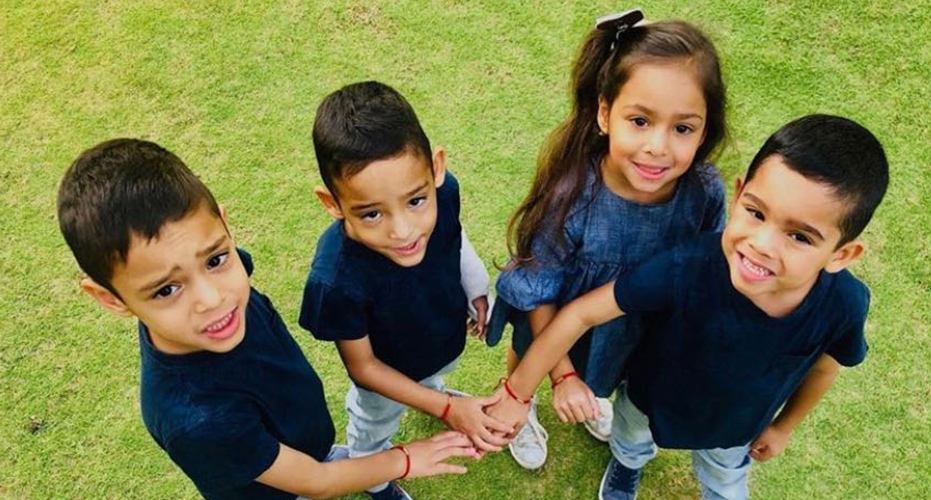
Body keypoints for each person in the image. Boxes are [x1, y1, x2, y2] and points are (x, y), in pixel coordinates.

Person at [488, 115, 889, 500]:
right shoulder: (687, 265)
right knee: (629, 442)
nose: (763, 244)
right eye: (755, 212)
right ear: (737, 195)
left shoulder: (844, 305)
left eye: (800, 237)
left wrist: (784, 427)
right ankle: (627, 466)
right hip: (648, 400)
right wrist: (517, 393)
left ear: (842, 254)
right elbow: (582, 313)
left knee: (725, 485)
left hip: (738, 430)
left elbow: (825, 366)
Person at [56, 139, 477, 500]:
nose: (213, 298)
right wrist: (404, 459)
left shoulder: (222, 287)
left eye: (216, 259)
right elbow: (316, 482)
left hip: (301, 441)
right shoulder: (199, 420)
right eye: (167, 290)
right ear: (110, 299)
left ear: (224, 224)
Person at [486, 10, 729, 470]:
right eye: (640, 121)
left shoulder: (704, 192)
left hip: (633, 327)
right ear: (604, 113)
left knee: (617, 368)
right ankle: (522, 405)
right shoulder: (572, 196)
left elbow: (707, 266)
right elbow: (538, 296)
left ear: (704, 129)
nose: (658, 146)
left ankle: (593, 391)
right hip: (553, 315)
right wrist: (561, 376)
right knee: (525, 361)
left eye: (682, 128)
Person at [299, 81, 510, 500]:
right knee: (373, 425)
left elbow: (454, 236)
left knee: (435, 377)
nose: (403, 231)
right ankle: (374, 480)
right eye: (372, 213)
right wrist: (448, 409)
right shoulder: (336, 280)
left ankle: (432, 394)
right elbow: (365, 369)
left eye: (416, 201)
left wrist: (476, 288)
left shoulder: (444, 194)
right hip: (385, 379)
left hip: (440, 339)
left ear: (436, 169)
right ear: (332, 203)